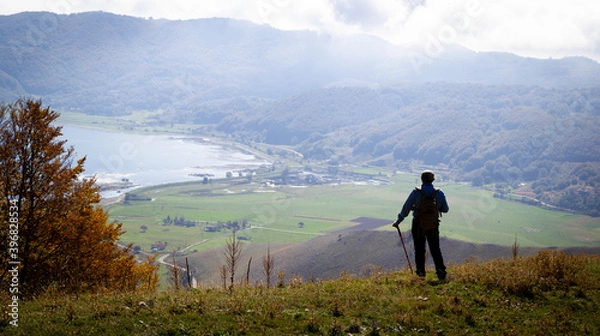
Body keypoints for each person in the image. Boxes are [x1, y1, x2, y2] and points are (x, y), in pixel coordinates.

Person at [392, 170, 449, 281]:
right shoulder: (439, 193)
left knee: (419, 249)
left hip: (418, 224)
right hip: (433, 224)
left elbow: (406, 208)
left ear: (422, 180)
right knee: (435, 248)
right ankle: (441, 272)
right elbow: (445, 209)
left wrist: (398, 221)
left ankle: (421, 273)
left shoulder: (416, 193)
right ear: (432, 180)